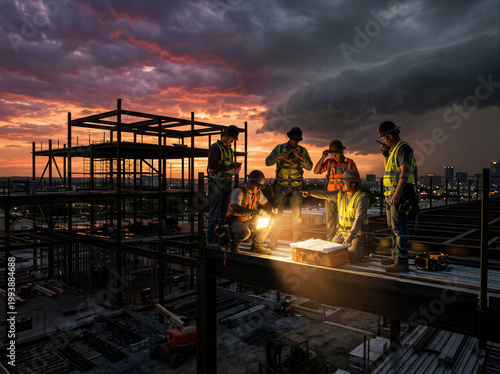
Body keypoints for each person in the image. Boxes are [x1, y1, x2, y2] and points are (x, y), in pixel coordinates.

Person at [302, 170, 368, 263]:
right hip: (341, 232)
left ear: (353, 185)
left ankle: (362, 248)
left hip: (355, 234)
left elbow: (359, 220)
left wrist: (350, 235)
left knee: (353, 257)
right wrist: (311, 193)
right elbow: (326, 194)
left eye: (345, 183)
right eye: (342, 182)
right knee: (330, 252)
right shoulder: (340, 194)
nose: (342, 185)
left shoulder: (361, 199)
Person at [377, 121, 417, 273]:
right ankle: (395, 257)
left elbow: (405, 171)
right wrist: (385, 155)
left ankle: (401, 261)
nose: (383, 141)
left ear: (390, 135)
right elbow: (390, 168)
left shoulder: (403, 148)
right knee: (393, 228)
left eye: (384, 138)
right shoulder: (394, 150)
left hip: (397, 193)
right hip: (390, 193)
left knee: (399, 228)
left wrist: (398, 192)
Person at [265, 126, 313, 247]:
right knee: (277, 214)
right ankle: (274, 240)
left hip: (296, 187)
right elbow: (267, 161)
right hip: (281, 186)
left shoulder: (303, 151)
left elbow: (310, 167)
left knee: (297, 216)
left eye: (297, 140)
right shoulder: (279, 148)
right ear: (289, 138)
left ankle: (297, 241)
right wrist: (279, 156)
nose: (295, 142)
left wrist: (301, 157)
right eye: (293, 139)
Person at [313, 139, 358, 241]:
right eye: (334, 155)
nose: (337, 156)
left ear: (342, 152)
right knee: (330, 223)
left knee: (342, 223)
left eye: (338, 154)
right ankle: (330, 244)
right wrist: (323, 157)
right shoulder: (329, 162)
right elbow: (316, 171)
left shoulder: (349, 163)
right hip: (329, 197)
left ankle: (341, 244)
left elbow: (356, 181)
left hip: (343, 197)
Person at [206, 125, 241, 250]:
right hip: (216, 184)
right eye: (232, 138)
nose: (232, 141)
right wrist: (227, 167)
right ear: (226, 135)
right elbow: (212, 164)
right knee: (213, 214)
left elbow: (227, 165)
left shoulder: (229, 149)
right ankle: (210, 241)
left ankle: (220, 239)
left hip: (226, 183)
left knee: (222, 214)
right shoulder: (215, 148)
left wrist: (234, 169)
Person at [226, 170, 277, 254]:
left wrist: (272, 208)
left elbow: (266, 203)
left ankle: (256, 246)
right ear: (250, 182)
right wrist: (256, 211)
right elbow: (235, 208)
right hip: (235, 222)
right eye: (257, 186)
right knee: (245, 233)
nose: (258, 189)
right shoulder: (238, 192)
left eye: (260, 187)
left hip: (249, 220)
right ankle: (234, 246)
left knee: (270, 220)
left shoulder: (257, 193)